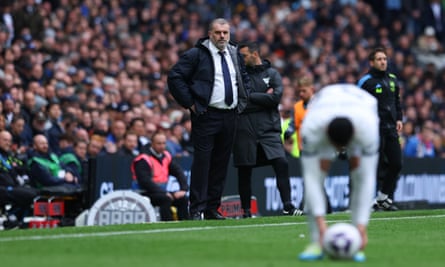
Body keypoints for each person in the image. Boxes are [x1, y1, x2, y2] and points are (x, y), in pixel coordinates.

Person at [167, 18, 250, 220]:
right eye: (218, 32)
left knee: (221, 164)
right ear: (210, 34)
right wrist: (191, 103)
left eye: (225, 32)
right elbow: (175, 76)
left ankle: (213, 208)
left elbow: (243, 78)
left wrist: (242, 100)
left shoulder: (234, 53)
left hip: (230, 115)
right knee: (203, 163)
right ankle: (196, 209)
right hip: (206, 115)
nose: (222, 36)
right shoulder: (197, 54)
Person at [298, 84, 380, 262]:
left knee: (360, 174)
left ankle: (357, 239)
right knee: (317, 174)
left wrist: (361, 228)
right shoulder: (311, 127)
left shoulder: (368, 128)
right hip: (324, 107)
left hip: (361, 108)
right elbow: (311, 179)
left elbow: (367, 181)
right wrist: (322, 227)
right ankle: (316, 241)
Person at [234, 42, 303, 218]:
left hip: (269, 130)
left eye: (243, 56)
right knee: (244, 170)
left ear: (255, 54)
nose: (239, 60)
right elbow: (239, 102)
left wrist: (251, 97)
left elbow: (275, 98)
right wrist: (265, 97)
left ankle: (288, 206)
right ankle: (246, 211)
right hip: (245, 129)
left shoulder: (272, 73)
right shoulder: (239, 76)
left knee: (282, 163)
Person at [357, 47, 403, 211]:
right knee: (374, 166)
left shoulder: (392, 79)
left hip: (390, 128)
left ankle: (383, 197)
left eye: (384, 59)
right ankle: (368, 200)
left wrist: (399, 119)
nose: (383, 62)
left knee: (396, 164)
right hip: (373, 129)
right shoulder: (365, 82)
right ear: (372, 62)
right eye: (379, 59)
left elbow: (396, 102)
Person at [131, 131, 189, 221]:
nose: (162, 146)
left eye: (164, 143)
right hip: (144, 192)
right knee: (165, 199)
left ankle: (185, 224)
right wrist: (163, 192)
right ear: (152, 144)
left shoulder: (166, 156)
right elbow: (145, 182)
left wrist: (183, 189)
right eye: (159, 143)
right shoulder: (143, 159)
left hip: (161, 191)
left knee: (182, 199)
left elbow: (178, 172)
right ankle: (167, 224)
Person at [0, 130, 38, 229]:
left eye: (9, 140)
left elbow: (21, 166)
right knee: (29, 194)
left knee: (33, 192)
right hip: (3, 188)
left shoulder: (8, 156)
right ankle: (11, 218)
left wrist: (16, 168)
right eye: (5, 140)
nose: (8, 143)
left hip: (12, 186)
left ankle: (15, 218)